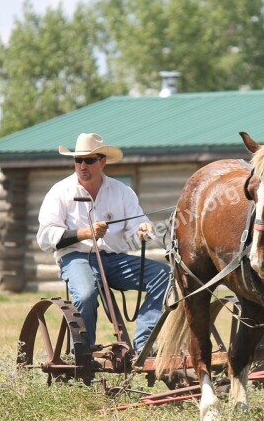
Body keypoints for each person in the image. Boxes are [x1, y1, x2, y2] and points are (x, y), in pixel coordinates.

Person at [36, 133, 170, 353]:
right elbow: (45, 237)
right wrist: (84, 233)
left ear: (102, 161)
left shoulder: (122, 191)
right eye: (78, 160)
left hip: (114, 261)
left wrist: (144, 230)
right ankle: (83, 353)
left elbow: (139, 224)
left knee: (165, 275)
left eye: (89, 160)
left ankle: (144, 343)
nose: (82, 165)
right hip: (77, 258)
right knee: (87, 294)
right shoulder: (60, 192)